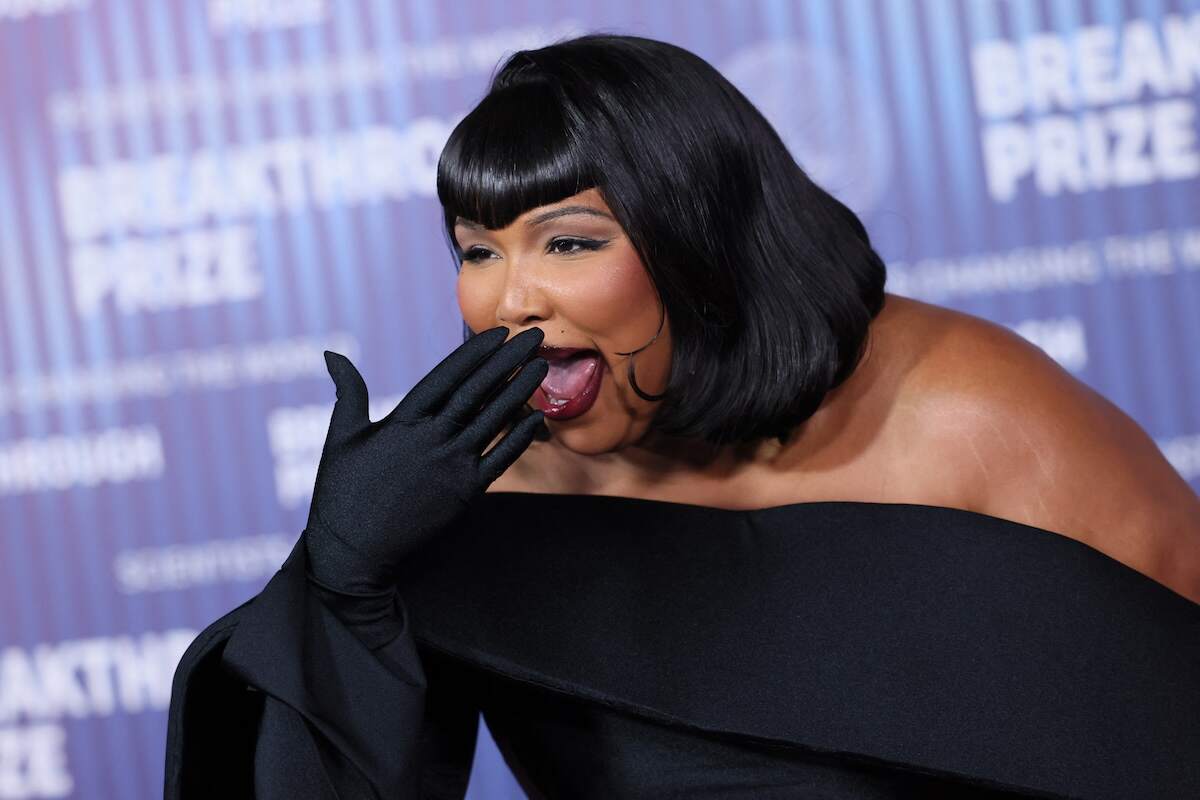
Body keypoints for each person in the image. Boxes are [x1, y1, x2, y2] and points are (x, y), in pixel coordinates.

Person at [164, 33, 1200, 799]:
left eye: (567, 242)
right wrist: (341, 585)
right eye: (477, 248)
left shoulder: (973, 411)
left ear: (702, 239)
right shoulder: (477, 483)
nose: (509, 299)